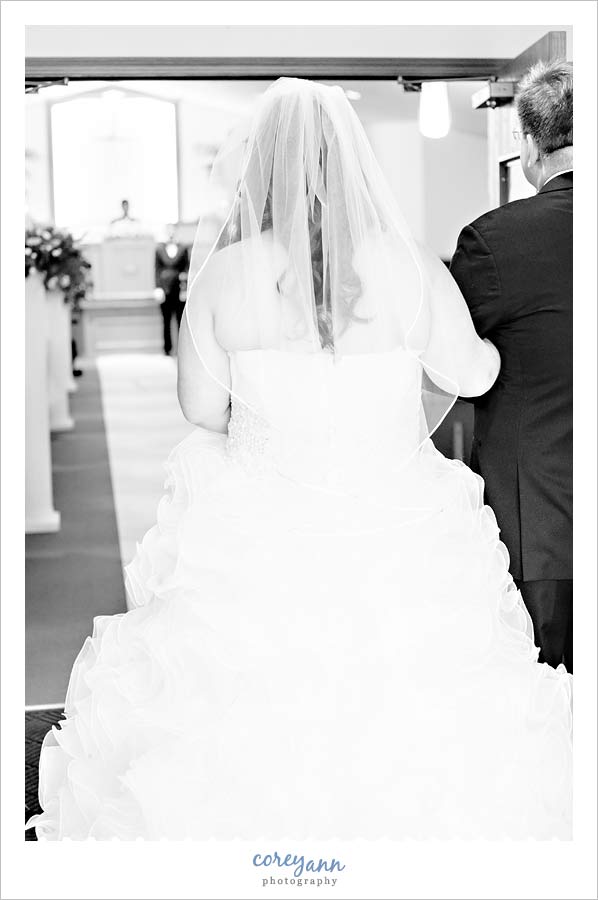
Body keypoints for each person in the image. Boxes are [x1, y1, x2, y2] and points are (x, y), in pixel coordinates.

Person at [27, 78, 572, 841]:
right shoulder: (408, 265)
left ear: (261, 169)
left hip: (258, 531)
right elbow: (475, 376)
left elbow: (200, 408)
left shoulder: (224, 275)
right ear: (351, 162)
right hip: (399, 525)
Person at [450, 60, 573, 672]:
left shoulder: (495, 242)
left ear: (528, 146)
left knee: (551, 698)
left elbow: (451, 365)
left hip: (544, 527)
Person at [155, 225, 189, 356]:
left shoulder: (183, 248)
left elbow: (186, 268)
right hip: (165, 289)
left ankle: (182, 349)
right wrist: (158, 288)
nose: (171, 234)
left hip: (179, 288)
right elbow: (157, 269)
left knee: (181, 320)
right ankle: (167, 349)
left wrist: (185, 289)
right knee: (166, 320)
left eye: (173, 231)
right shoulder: (159, 249)